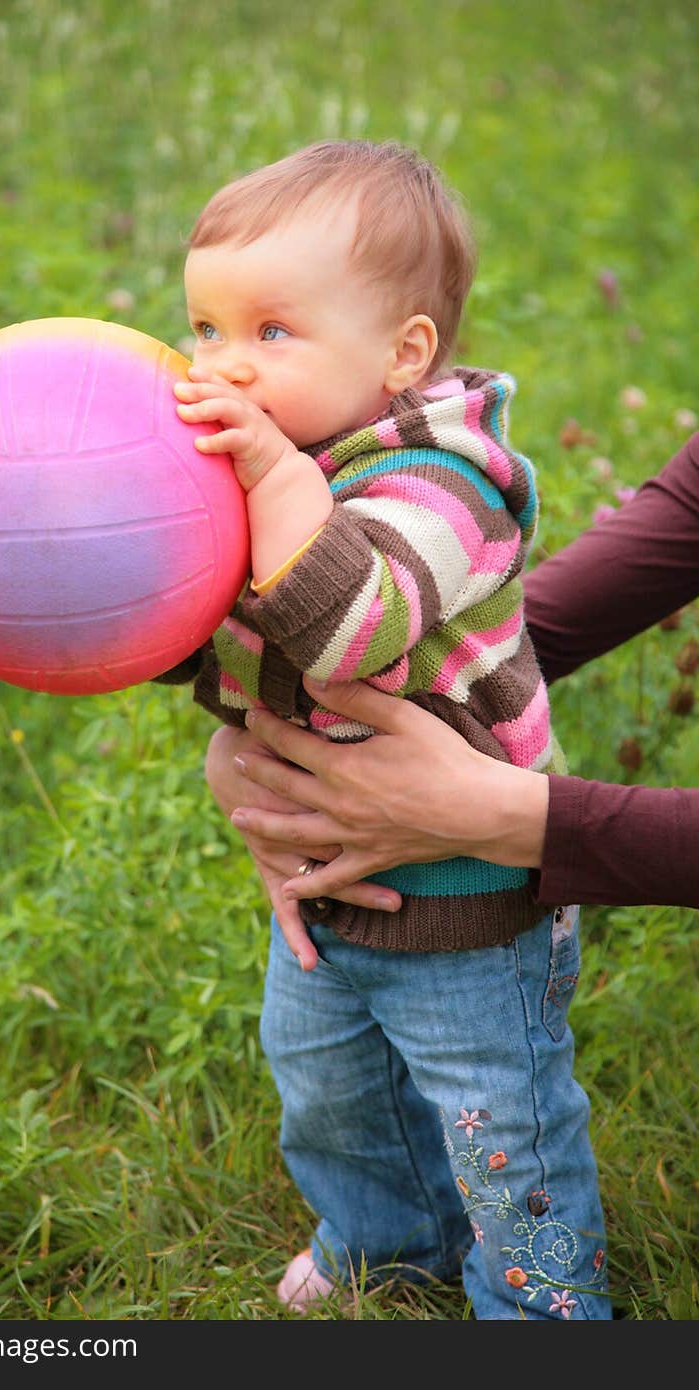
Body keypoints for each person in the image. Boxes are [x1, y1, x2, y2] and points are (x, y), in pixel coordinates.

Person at [163, 139, 610, 1319]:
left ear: (403, 351)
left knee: (493, 1115)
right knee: (329, 1086)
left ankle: (539, 1302)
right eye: (204, 329)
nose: (226, 367)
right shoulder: (275, 466)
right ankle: (384, 1240)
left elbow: (355, 623)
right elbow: (208, 630)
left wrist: (265, 477)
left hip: (472, 888)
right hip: (328, 870)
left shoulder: (446, 478)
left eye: (270, 332)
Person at [206, 429, 699, 922]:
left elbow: (358, 630)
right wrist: (256, 736)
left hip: (476, 921)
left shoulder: (432, 474)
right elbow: (679, 522)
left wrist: (515, 818)